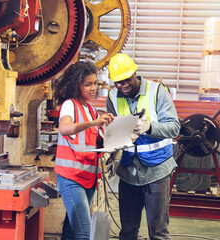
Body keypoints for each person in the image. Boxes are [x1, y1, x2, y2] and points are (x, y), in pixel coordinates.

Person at [106, 53, 180, 240]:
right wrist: (111, 153)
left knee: (158, 232)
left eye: (127, 80)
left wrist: (150, 127)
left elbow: (174, 127)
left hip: (157, 170)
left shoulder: (157, 91)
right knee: (128, 231)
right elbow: (115, 132)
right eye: (118, 82)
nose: (123, 86)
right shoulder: (113, 96)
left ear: (135, 73)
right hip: (128, 171)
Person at [54, 61, 114, 240]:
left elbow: (93, 143)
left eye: (95, 83)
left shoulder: (92, 110)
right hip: (71, 178)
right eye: (88, 84)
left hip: (88, 178)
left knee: (73, 231)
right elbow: (64, 129)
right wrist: (94, 123)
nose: (93, 88)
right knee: (84, 233)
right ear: (76, 85)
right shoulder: (70, 105)